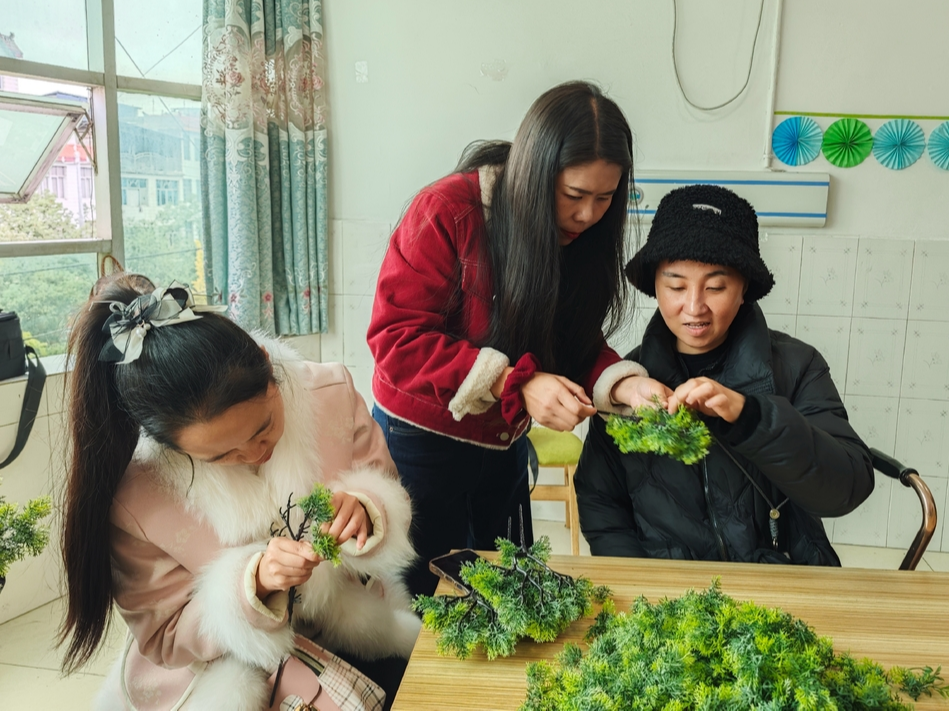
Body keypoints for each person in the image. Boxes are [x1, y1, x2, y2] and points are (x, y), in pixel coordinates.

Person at [60, 273, 420, 711]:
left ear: (268, 366)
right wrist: (251, 587)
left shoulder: (329, 394)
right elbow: (164, 634)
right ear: (171, 449)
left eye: (264, 427)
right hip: (230, 675)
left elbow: (386, 486)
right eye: (221, 455)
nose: (255, 454)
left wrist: (367, 509)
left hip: (360, 627)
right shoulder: (139, 497)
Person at [367, 81, 670, 596]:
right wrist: (515, 382)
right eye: (574, 195)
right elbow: (396, 341)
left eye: (605, 198)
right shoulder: (447, 211)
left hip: (503, 443)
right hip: (421, 443)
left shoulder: (578, 236)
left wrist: (623, 387)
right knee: (421, 597)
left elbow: (573, 339)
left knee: (503, 592)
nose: (588, 215)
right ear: (533, 173)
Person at [575, 185, 875, 565]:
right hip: (670, 596)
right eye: (676, 285)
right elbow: (600, 502)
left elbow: (847, 488)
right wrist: (640, 587)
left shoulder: (797, 366)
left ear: (744, 287)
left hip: (784, 582)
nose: (694, 306)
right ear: (655, 284)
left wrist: (752, 417)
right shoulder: (628, 383)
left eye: (716, 286)